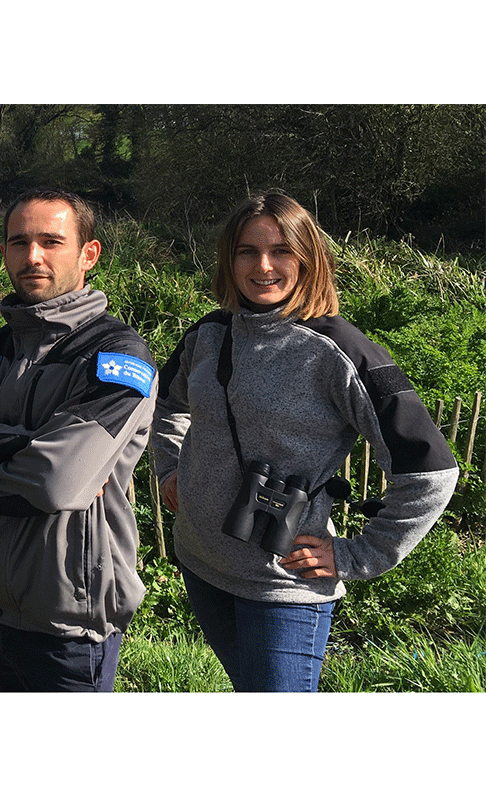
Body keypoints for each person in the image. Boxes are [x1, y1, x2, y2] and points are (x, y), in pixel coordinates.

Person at [153, 190, 459, 692]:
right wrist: (171, 470)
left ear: (309, 259)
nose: (263, 266)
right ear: (229, 261)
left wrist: (356, 554)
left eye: (282, 251)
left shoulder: (340, 351)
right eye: (246, 251)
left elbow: (431, 470)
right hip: (201, 563)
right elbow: (169, 404)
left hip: (283, 586)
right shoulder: (208, 334)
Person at [0, 187, 157, 692]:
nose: (33, 256)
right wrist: (22, 442)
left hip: (69, 628)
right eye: (19, 242)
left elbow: (55, 481)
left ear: (88, 254)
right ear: (3, 253)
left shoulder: (117, 356)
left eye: (51, 241)